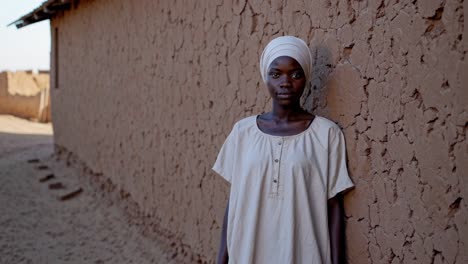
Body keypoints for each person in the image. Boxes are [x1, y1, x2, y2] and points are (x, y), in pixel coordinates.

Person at [213, 36, 354, 264]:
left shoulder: (326, 134)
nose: (286, 82)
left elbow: (334, 208)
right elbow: (235, 200)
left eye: (296, 74)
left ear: (306, 77)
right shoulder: (243, 132)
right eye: (276, 74)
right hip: (248, 254)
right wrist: (222, 258)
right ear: (265, 77)